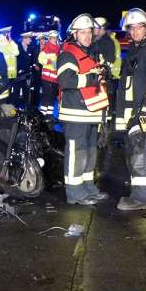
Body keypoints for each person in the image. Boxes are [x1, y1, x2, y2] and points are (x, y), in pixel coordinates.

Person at [57, 14, 109, 205]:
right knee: (76, 153)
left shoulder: (89, 52)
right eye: (83, 33)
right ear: (74, 34)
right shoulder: (68, 53)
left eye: (89, 32)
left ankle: (88, 188)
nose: (87, 36)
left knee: (90, 153)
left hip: (91, 113)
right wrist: (91, 78)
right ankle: (74, 193)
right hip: (75, 113)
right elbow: (66, 81)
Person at [115, 8, 146, 210]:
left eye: (138, 28)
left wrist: (140, 121)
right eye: (131, 28)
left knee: (144, 158)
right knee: (136, 158)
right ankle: (138, 195)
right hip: (135, 119)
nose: (134, 32)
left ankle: (144, 199)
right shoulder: (136, 51)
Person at [94, 17, 121, 114]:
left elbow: (110, 60)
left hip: (106, 79)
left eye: (95, 27)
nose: (93, 30)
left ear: (101, 28)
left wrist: (101, 72)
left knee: (105, 106)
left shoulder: (106, 42)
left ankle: (106, 125)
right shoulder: (99, 40)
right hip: (105, 78)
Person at [38, 30, 60, 121]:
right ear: (49, 39)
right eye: (53, 38)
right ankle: (42, 116)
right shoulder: (46, 48)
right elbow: (40, 59)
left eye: (56, 38)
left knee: (52, 97)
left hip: (55, 78)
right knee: (46, 97)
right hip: (47, 78)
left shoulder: (58, 48)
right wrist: (51, 62)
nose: (54, 39)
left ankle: (49, 115)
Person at [16, 32, 37, 108]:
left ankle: (26, 109)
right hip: (17, 74)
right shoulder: (16, 46)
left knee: (26, 91)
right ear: (24, 39)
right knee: (16, 91)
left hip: (27, 74)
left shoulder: (31, 47)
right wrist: (18, 69)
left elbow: (32, 60)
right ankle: (15, 107)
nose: (31, 40)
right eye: (29, 38)